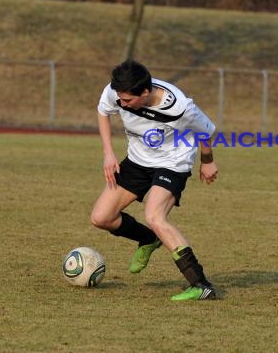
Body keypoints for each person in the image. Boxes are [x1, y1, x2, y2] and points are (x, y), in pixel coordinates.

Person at [90, 59, 218, 301]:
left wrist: (208, 160)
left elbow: (206, 130)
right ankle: (148, 239)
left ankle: (201, 285)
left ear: (145, 92)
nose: (121, 104)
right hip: (138, 160)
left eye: (127, 101)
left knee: (155, 216)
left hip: (173, 162)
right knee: (101, 217)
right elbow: (103, 111)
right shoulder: (117, 91)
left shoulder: (180, 107)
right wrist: (108, 153)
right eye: (119, 99)